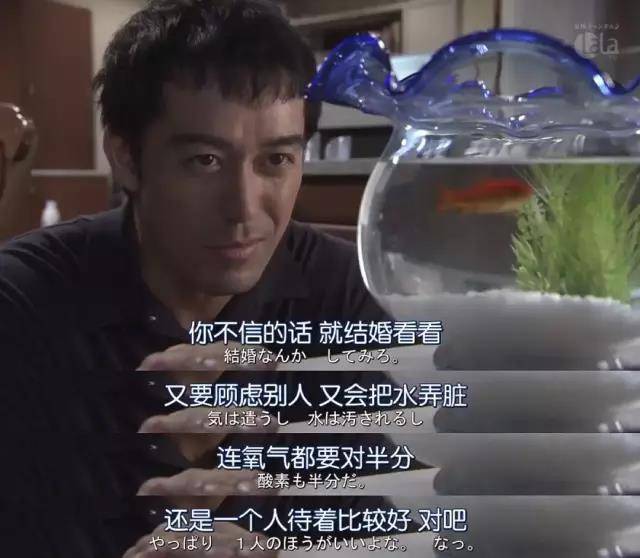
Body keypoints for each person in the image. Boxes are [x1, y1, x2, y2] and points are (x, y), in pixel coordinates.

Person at [0, 1, 401, 557]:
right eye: (205, 160)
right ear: (126, 157)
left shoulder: (345, 296)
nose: (244, 209)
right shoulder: (24, 304)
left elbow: (378, 525)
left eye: (276, 161)